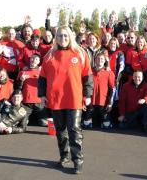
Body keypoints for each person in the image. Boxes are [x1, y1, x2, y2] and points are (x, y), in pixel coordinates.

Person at [38, 25, 93, 174]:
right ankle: (64, 156)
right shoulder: (49, 55)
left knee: (74, 130)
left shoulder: (80, 53)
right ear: (56, 38)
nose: (63, 38)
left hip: (74, 98)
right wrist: (42, 95)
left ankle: (78, 161)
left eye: (66, 36)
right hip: (56, 99)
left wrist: (88, 95)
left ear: (71, 37)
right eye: (60, 36)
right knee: (61, 130)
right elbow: (42, 78)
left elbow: (87, 76)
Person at [83, 52, 115, 129]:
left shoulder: (109, 73)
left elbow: (112, 89)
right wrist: (83, 100)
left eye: (101, 59)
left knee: (106, 125)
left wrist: (110, 103)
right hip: (90, 101)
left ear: (104, 61)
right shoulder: (89, 71)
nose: (100, 60)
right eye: (98, 59)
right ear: (95, 60)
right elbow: (84, 86)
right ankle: (88, 120)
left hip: (103, 101)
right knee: (87, 124)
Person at [16, 54, 47, 126]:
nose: (33, 60)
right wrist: (21, 80)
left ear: (39, 61)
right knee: (23, 123)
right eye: (32, 58)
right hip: (26, 102)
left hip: (39, 102)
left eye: (36, 59)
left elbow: (47, 86)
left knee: (43, 123)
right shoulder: (22, 72)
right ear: (30, 60)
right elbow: (17, 88)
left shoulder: (42, 72)